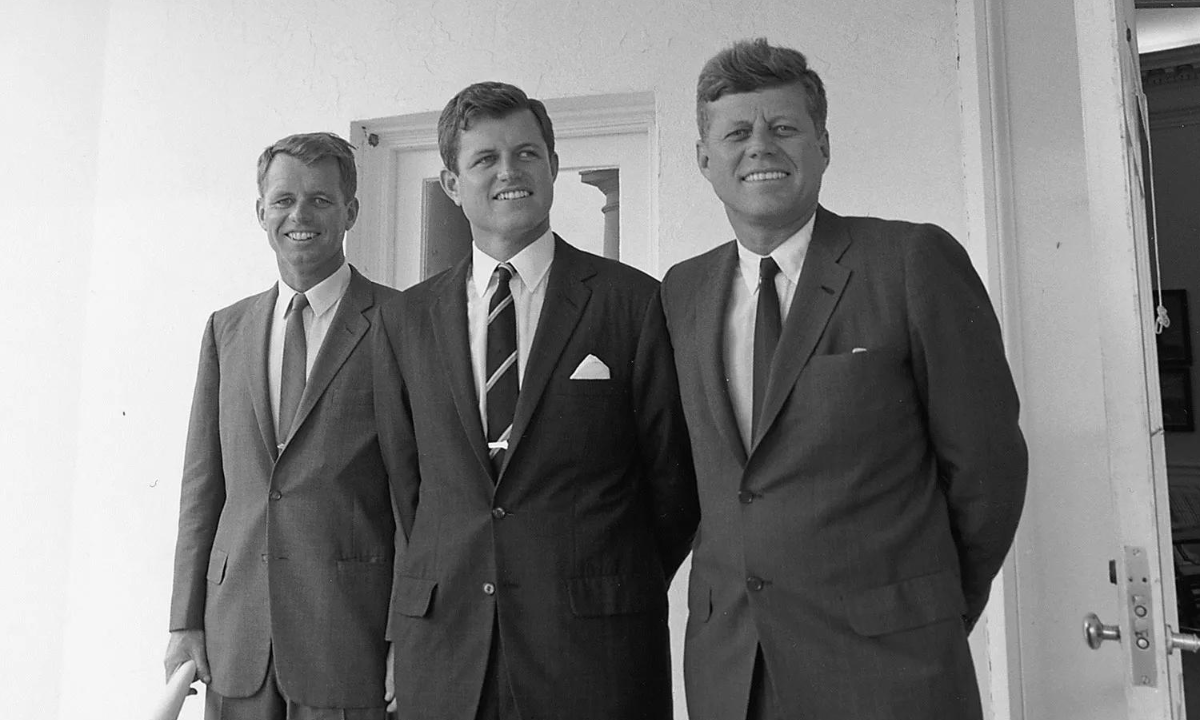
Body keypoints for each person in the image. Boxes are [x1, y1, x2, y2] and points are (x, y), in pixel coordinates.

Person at [661, 39, 1029, 720]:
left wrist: (930, 607)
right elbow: (685, 481)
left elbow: (987, 469)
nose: (760, 147)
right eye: (736, 131)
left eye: (784, 127)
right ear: (703, 158)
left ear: (823, 145)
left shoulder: (911, 261)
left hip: (892, 670)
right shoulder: (680, 293)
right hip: (732, 674)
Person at [372, 81, 698, 720]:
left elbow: (674, 485)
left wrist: (600, 582)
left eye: (526, 153)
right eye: (484, 160)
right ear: (450, 183)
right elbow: (406, 487)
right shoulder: (404, 320)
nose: (508, 172)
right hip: (448, 650)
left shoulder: (634, 302)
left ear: (552, 164)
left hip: (595, 648)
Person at [165, 132, 399, 719]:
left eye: (321, 200)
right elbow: (203, 488)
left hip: (349, 635)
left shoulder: (400, 322)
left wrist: (408, 632)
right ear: (261, 212)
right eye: (283, 200)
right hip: (234, 634)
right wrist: (184, 619)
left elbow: (416, 494)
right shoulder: (226, 329)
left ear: (350, 211)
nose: (300, 215)